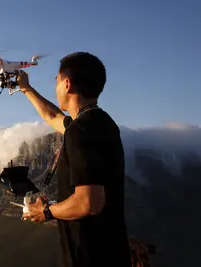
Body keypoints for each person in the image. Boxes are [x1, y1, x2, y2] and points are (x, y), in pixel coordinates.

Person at [17, 52, 131, 267]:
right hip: (111, 252)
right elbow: (52, 117)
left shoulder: (82, 131)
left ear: (67, 84)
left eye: (57, 80)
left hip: (89, 257)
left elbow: (88, 203)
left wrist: (46, 211)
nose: (56, 85)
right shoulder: (99, 122)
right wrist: (26, 89)